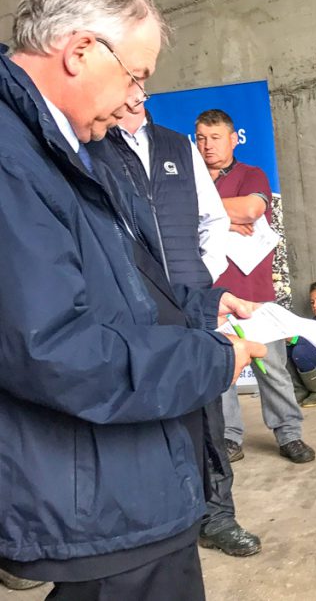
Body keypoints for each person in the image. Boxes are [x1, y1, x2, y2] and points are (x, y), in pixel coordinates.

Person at [0, 0, 266, 600]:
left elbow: (121, 283)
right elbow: (52, 348)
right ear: (81, 52)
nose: (135, 100)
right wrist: (210, 361)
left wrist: (200, 305)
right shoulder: (15, 160)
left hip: (122, 479)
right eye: (135, 77)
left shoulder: (62, 147)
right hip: (93, 495)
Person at [89, 101, 262, 558]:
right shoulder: (90, 142)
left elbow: (214, 220)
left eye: (141, 80)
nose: (132, 94)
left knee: (205, 414)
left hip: (188, 303)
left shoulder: (176, 146)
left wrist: (195, 280)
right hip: (125, 307)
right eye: (128, 79)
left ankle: (217, 515)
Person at [196, 108, 316, 465]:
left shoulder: (252, 174)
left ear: (234, 139)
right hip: (209, 295)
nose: (207, 145)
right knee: (223, 370)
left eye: (216, 137)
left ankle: (290, 435)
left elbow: (250, 209)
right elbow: (170, 216)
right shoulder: (190, 180)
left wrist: (205, 213)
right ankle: (229, 438)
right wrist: (223, 219)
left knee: (272, 368)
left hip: (255, 294)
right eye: (201, 138)